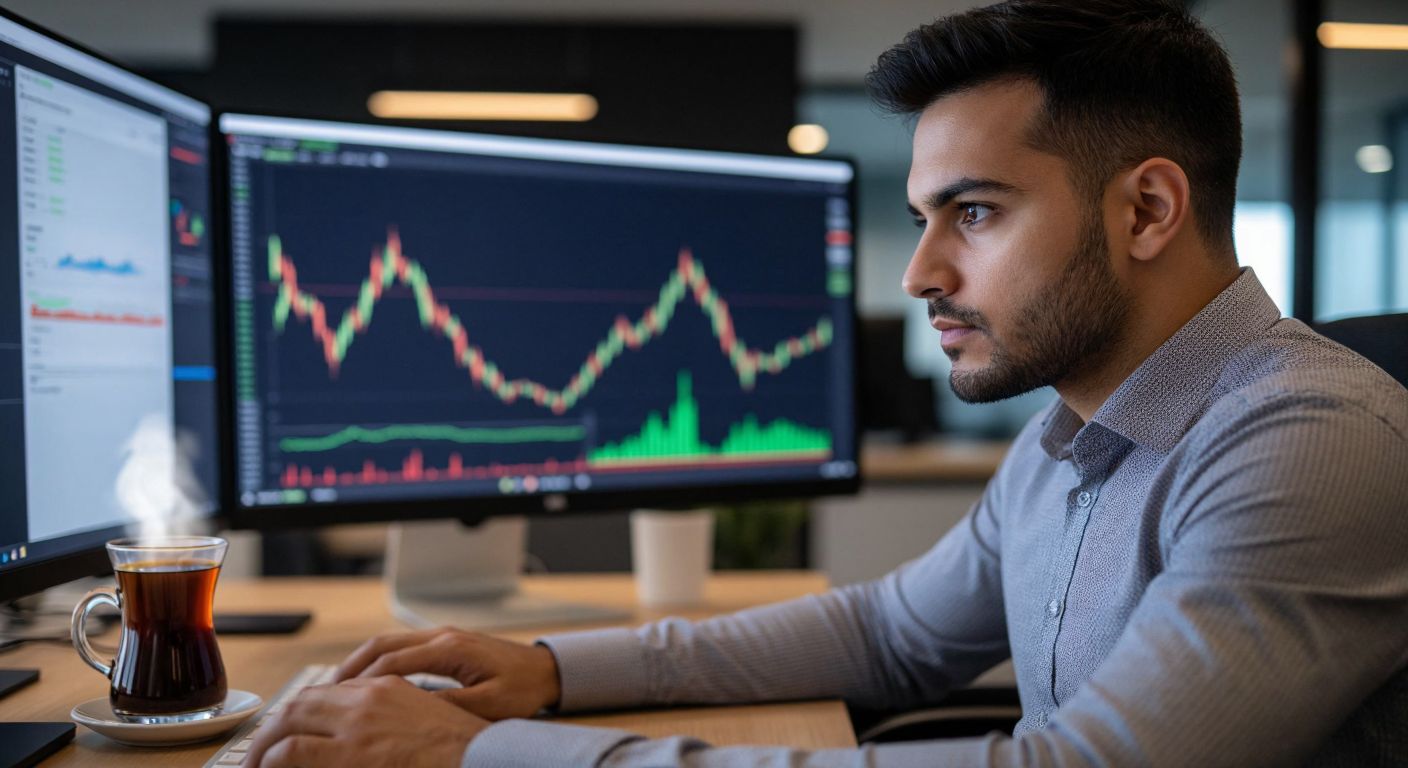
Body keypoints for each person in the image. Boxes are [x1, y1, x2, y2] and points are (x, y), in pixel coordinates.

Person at [246, 1, 1408, 765]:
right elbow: (891, 635)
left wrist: (468, 753)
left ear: (1146, 208)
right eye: (922, 218)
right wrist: (547, 672)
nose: (919, 272)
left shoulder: (1306, 441)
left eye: (975, 213)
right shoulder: (1069, 435)